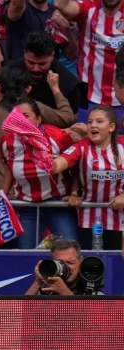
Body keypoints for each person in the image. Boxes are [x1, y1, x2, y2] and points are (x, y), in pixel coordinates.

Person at [1, 98, 81, 249]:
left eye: (26, 116)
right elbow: (9, 167)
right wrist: (3, 195)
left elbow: (74, 164)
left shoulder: (58, 136)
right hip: (26, 205)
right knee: (25, 254)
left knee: (70, 250)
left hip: (58, 203)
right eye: (16, 116)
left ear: (38, 119)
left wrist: (75, 192)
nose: (20, 120)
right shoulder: (6, 141)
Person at [50, 105, 124, 252]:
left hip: (119, 217)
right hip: (88, 218)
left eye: (99, 121)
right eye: (90, 122)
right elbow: (57, 165)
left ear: (111, 127)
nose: (93, 125)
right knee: (89, 262)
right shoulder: (81, 146)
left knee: (115, 264)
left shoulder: (122, 145)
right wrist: (44, 159)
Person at [55, 0, 124, 120]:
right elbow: (60, 3)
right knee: (87, 142)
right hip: (90, 97)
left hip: (122, 100)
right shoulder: (88, 9)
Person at [10, 31, 85, 113]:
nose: (36, 69)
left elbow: (73, 117)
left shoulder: (69, 83)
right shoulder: (11, 72)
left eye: (42, 64)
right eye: (31, 63)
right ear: (24, 54)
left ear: (52, 56)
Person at [24, 239, 95, 295]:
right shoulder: (47, 284)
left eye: (70, 262)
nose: (65, 267)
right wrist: (37, 283)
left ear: (81, 261)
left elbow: (91, 313)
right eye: (60, 263)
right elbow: (19, 312)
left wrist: (64, 292)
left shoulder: (90, 285)